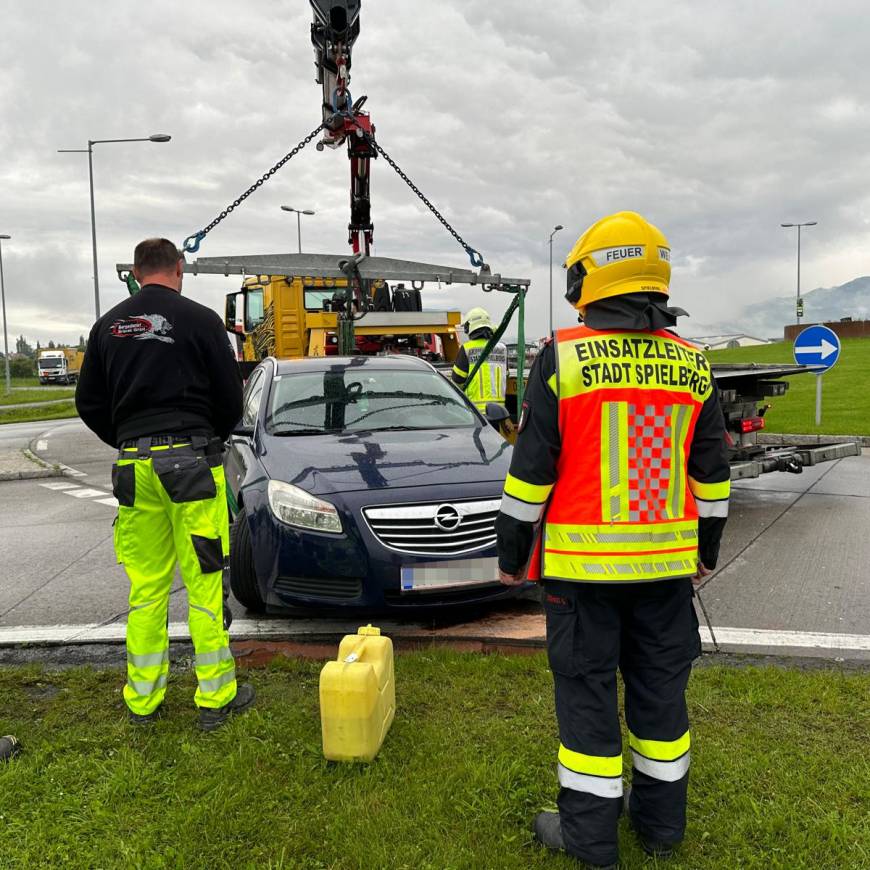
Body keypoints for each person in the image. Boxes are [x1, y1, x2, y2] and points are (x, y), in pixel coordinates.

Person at [495, 212, 730, 868]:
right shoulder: (692, 365)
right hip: (665, 578)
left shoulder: (563, 358)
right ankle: (661, 829)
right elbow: (712, 476)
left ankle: (591, 842)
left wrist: (512, 557)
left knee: (588, 703)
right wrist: (706, 553)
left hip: (581, 583)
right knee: (661, 699)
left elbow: (529, 478)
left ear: (590, 278)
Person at [76, 238, 255, 732]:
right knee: (203, 583)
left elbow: (88, 402)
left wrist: (128, 437)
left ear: (135, 272)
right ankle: (216, 698)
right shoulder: (201, 321)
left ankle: (143, 701)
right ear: (180, 269)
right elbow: (230, 398)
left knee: (147, 589)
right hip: (194, 466)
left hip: (134, 469)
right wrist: (206, 438)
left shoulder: (108, 325)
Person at [451, 307, 508, 412]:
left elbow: (457, 381)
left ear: (469, 327)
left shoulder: (467, 349)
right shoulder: (502, 348)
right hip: (500, 412)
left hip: (476, 413)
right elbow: (506, 374)